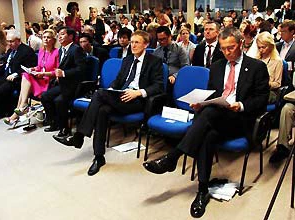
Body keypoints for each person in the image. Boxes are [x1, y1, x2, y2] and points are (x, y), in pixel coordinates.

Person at [143, 27, 269, 218]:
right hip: (216, 117)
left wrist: (240, 105)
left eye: (231, 48)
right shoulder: (217, 66)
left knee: (208, 116)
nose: (227, 52)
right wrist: (202, 103)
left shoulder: (256, 67)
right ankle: (202, 191)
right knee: (207, 134)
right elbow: (213, 94)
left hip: (240, 120)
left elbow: (262, 99)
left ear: (241, 44)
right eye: (223, 48)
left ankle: (173, 157)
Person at [53, 30, 164, 176]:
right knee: (102, 110)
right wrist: (110, 91)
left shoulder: (154, 61)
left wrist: (138, 92)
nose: (133, 45)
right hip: (121, 96)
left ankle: (79, 136)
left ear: (146, 44)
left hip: (137, 100)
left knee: (99, 94)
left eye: (137, 42)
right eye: (132, 42)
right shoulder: (127, 60)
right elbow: (118, 81)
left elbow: (158, 86)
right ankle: (99, 157)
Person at [4, 29, 59, 125]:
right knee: (25, 74)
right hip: (40, 77)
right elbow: (39, 67)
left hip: (49, 80)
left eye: (48, 37)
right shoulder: (42, 51)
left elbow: (57, 71)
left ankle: (18, 111)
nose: (45, 39)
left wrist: (43, 74)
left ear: (53, 40)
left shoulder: (56, 52)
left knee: (25, 79)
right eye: (44, 37)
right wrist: (33, 69)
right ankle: (21, 107)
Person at [41, 26, 86, 136]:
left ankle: (65, 128)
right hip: (63, 83)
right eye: (59, 34)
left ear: (70, 36)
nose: (59, 37)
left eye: (62, 34)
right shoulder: (61, 50)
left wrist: (64, 73)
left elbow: (81, 70)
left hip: (75, 85)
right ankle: (54, 122)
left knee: (59, 101)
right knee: (45, 96)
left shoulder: (76, 49)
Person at [0, 29, 37, 117]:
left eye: (11, 41)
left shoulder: (27, 51)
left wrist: (16, 74)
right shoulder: (10, 51)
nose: (9, 44)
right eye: (8, 41)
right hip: (6, 76)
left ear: (18, 40)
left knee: (0, 90)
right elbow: (7, 65)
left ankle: (3, 112)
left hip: (18, 79)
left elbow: (30, 68)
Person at [256, 32, 283, 103]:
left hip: (270, 92)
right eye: (259, 47)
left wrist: (265, 83)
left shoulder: (277, 61)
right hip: (255, 90)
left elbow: (278, 84)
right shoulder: (256, 60)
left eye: (263, 47)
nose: (261, 50)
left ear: (271, 46)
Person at [276, 20, 295, 86]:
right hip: (277, 79)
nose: (281, 34)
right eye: (281, 31)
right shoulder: (277, 46)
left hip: (290, 82)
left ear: (292, 32)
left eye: (284, 32)